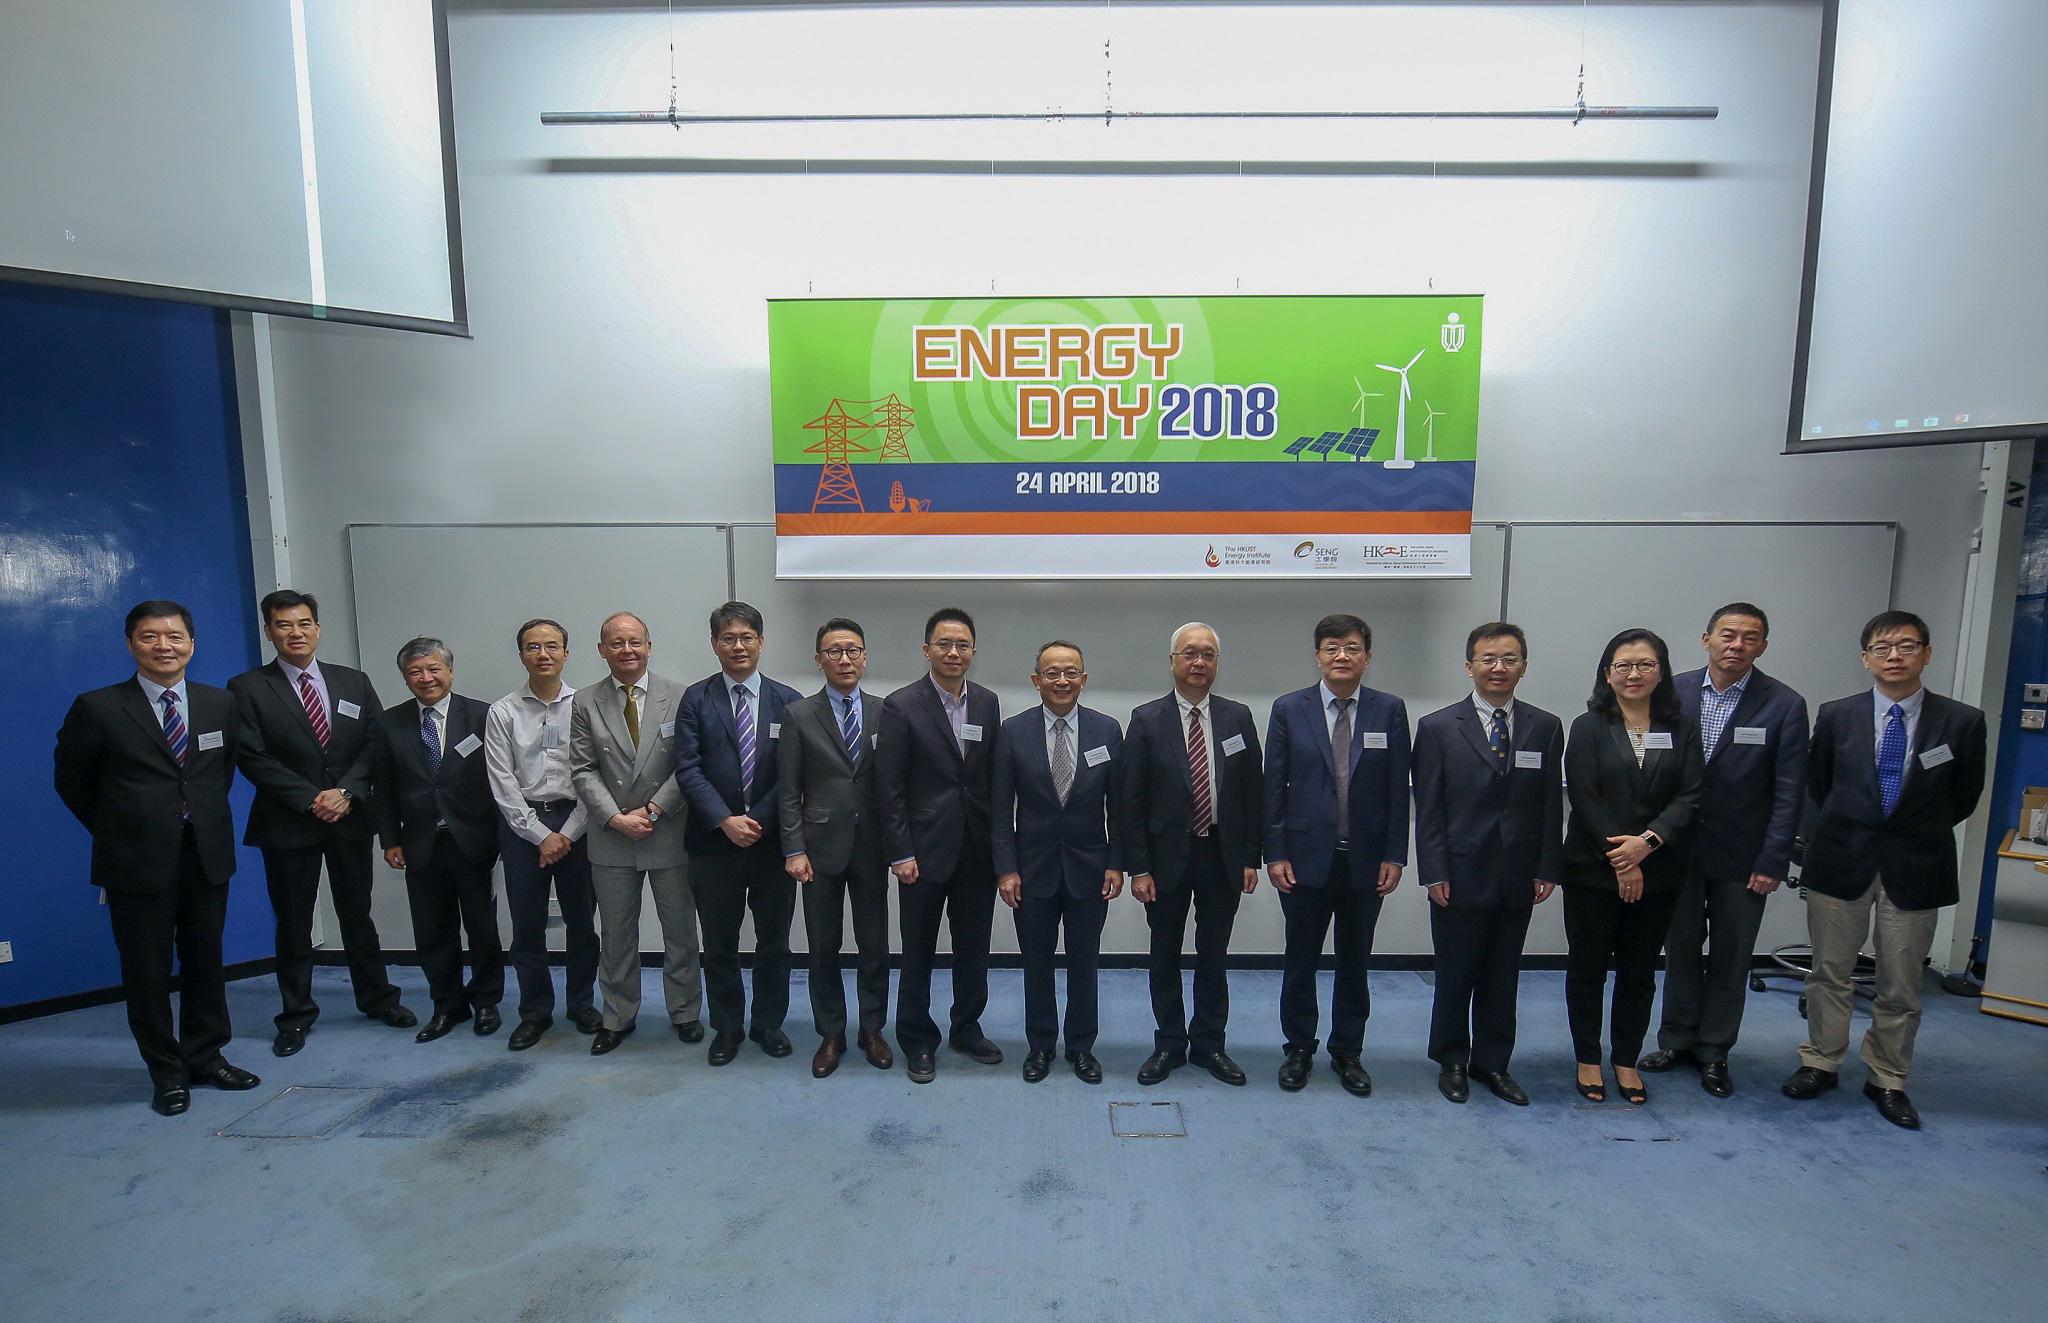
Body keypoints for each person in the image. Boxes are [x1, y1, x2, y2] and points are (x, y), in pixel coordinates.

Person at [53, 601, 262, 1115]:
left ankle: (206, 1057)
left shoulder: (219, 704)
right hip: (134, 862)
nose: (163, 646)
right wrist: (123, 828)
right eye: (150, 637)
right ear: (131, 644)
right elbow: (73, 781)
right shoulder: (98, 706)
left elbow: (217, 774)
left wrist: (196, 816)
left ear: (192, 643)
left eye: (175, 636)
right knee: (146, 972)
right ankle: (166, 1072)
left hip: (206, 856)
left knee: (206, 962)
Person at [1783, 609, 1987, 1129]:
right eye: (1882, 647)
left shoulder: (1961, 721)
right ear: (1865, 657)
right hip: (1841, 858)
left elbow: (1963, 796)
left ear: (1927, 653)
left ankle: (1888, 1077)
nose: (1894, 656)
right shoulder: (1837, 714)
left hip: (1916, 863)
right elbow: (1818, 786)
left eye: (1906, 646)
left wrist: (1910, 829)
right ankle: (1820, 1062)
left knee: (1901, 981)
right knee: (1830, 972)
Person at [229, 589, 413, 1056]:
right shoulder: (247, 688)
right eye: (284, 625)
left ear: (317, 627)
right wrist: (312, 799)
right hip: (288, 822)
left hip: (349, 817)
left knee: (358, 914)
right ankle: (295, 1016)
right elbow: (252, 756)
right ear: (270, 631)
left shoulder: (352, 681)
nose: (296, 632)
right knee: (293, 922)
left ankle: (378, 999)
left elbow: (374, 744)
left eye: (304, 623)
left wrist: (345, 792)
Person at [1641, 603, 1808, 1096]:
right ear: (1706, 638)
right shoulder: (1673, 692)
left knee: (1733, 957)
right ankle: (1676, 1039)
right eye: (1728, 635)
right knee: (1680, 950)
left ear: (1763, 646)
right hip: (1676, 849)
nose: (1737, 645)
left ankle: (1715, 1051)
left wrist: (1774, 858)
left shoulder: (1783, 703)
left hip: (1745, 857)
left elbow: (1789, 790)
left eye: (1749, 637)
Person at [1410, 622, 1563, 1107]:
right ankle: (1452, 1060)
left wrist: (1547, 866)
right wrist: (1433, 870)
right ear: (1469, 665)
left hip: (1518, 873)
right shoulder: (1437, 727)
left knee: (1503, 974)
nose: (1499, 668)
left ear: (1523, 665)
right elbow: (1428, 807)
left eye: (1510, 659)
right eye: (1488, 659)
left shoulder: (1545, 725)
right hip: (1457, 872)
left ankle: (1493, 1062)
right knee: (1456, 972)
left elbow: (1549, 806)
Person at [1263, 612, 1410, 1097]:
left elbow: (1396, 790)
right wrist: (1275, 852)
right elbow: (1274, 788)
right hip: (1304, 859)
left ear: (1367, 656)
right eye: (1331, 647)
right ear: (1318, 655)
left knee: (1355, 961)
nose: (1341, 655)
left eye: (1350, 647)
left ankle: (1348, 1052)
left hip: (1366, 860)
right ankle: (1299, 1048)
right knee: (1300, 959)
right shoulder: (1290, 708)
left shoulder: (1389, 710)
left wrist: (1395, 853)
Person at [1560, 628, 1703, 1105]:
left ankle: (1625, 1058)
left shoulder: (1681, 728)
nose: (1634, 674)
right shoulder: (1587, 726)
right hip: (1593, 871)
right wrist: (1622, 858)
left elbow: (1690, 794)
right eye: (1624, 665)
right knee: (1587, 970)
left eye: (1645, 665)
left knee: (1640, 972)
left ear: (1661, 671)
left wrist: (1647, 843)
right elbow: (1584, 796)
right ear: (1607, 673)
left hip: (1659, 870)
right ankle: (1586, 1057)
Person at [1121, 622, 1262, 1087]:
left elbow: (1251, 794)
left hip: (1222, 856)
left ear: (1216, 663)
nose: (1198, 662)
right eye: (1189, 654)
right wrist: (1138, 867)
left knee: (1214, 955)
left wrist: (1250, 857)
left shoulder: (1238, 717)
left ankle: (1210, 1045)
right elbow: (1132, 801)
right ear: (1173, 661)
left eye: (1207, 655)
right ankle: (1169, 1044)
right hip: (1164, 862)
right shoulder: (1146, 719)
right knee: (1164, 955)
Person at [877, 607, 1004, 1084]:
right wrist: (900, 851)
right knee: (918, 952)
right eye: (944, 644)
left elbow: (992, 780)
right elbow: (889, 789)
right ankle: (916, 1037)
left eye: (963, 645)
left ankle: (966, 1028)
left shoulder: (988, 703)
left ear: (973, 651)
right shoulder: (901, 705)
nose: (954, 652)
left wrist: (1000, 850)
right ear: (927, 649)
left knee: (974, 948)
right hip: (922, 854)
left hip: (976, 851)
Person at [569, 611, 703, 1055]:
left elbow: (689, 764)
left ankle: (684, 1011)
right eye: (616, 643)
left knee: (680, 931)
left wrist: (654, 809)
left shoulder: (680, 697)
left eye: (635, 642)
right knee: (616, 933)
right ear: (602, 649)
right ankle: (617, 1015)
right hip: (611, 836)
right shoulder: (585, 701)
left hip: (668, 830)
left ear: (649, 646)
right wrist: (615, 817)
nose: (627, 650)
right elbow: (584, 769)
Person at [675, 602, 802, 1066]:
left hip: (772, 847)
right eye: (728, 638)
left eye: (747, 636)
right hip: (713, 845)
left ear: (761, 642)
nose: (738, 646)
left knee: (774, 943)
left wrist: (758, 820)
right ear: (714, 645)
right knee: (720, 944)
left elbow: (792, 776)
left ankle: (768, 1025)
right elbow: (687, 769)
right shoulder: (696, 699)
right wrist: (725, 819)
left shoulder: (788, 701)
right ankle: (726, 1028)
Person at [993, 641, 1124, 1084]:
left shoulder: (1108, 731)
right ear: (1036, 680)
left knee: (1086, 962)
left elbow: (1119, 806)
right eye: (1052, 673)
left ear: (1084, 679)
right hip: (1032, 872)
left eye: (1071, 673)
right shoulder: (1012, 732)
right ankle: (1041, 1046)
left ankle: (1082, 1047)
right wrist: (1006, 868)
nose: (1062, 681)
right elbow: (999, 808)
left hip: (1091, 870)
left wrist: (1116, 862)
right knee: (1037, 963)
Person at [778, 618, 894, 1077]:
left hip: (872, 845)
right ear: (819, 659)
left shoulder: (887, 711)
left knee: (875, 944)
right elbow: (788, 790)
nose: (844, 659)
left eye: (853, 650)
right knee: (823, 945)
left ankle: (872, 1029)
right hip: (818, 848)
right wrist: (793, 848)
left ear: (864, 656)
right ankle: (831, 1032)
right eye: (834, 651)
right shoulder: (799, 714)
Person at [373, 638, 504, 1043]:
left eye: (433, 669)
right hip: (420, 842)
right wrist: (389, 840)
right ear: (405, 678)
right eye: (415, 672)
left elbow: (499, 780)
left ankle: (486, 1002)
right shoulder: (389, 722)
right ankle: (447, 1006)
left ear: (449, 671)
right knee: (432, 931)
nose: (426, 678)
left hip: (472, 838)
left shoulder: (482, 715)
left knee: (482, 926)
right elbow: (384, 787)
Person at [484, 617, 602, 1051]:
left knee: (582, 923)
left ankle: (581, 1003)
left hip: (578, 822)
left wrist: (567, 834)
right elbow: (502, 780)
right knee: (527, 926)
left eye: (552, 646)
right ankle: (534, 1012)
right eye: (533, 647)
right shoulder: (503, 711)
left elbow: (595, 776)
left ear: (567, 653)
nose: (543, 654)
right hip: (522, 826)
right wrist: (539, 835)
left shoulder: (586, 705)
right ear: (521, 655)